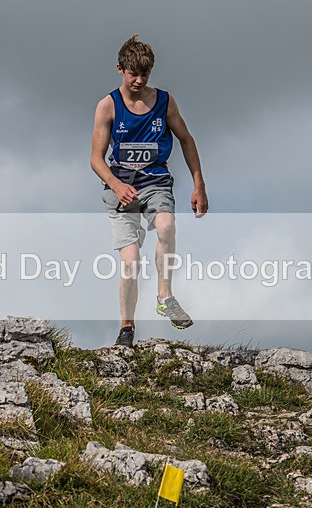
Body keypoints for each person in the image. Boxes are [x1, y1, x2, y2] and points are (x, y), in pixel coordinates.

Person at [90, 35, 208, 347]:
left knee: (167, 225)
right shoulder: (107, 106)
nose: (139, 81)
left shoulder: (165, 102)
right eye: (133, 74)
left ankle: (165, 296)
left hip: (156, 181)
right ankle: (127, 326)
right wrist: (117, 185)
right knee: (130, 262)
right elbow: (95, 159)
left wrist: (199, 184)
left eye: (145, 74)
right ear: (120, 69)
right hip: (121, 189)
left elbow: (186, 139)